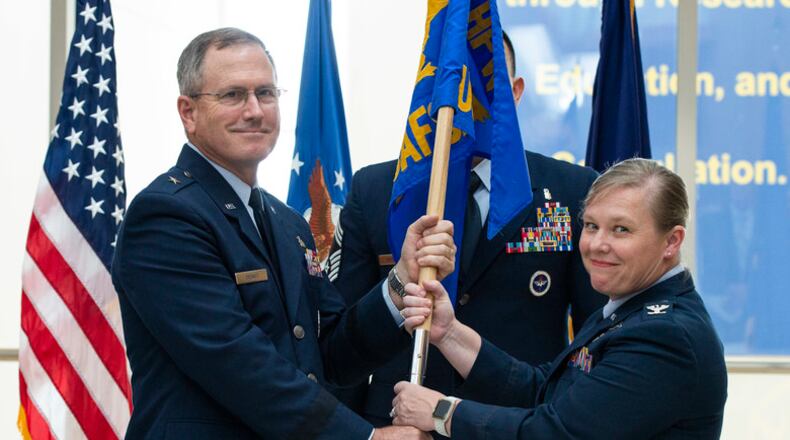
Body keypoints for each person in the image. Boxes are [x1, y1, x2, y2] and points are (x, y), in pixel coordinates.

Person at [111, 28, 456, 439]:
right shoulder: (166, 216)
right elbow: (237, 362)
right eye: (232, 95)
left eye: (266, 93)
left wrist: (399, 282)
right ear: (188, 112)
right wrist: (366, 437)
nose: (255, 110)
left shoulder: (287, 222)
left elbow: (327, 354)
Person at [327, 32, 606, 426]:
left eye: (486, 86)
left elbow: (593, 338)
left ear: (516, 92)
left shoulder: (570, 190)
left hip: (517, 424)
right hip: (399, 425)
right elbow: (340, 350)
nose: (466, 103)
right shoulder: (378, 190)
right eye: (455, 86)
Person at [391, 158, 728, 439]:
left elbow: (556, 432)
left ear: (671, 242)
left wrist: (440, 412)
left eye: (621, 230)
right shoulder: (624, 308)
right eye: (592, 226)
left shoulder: (665, 335)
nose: (597, 244)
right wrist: (450, 334)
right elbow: (546, 391)